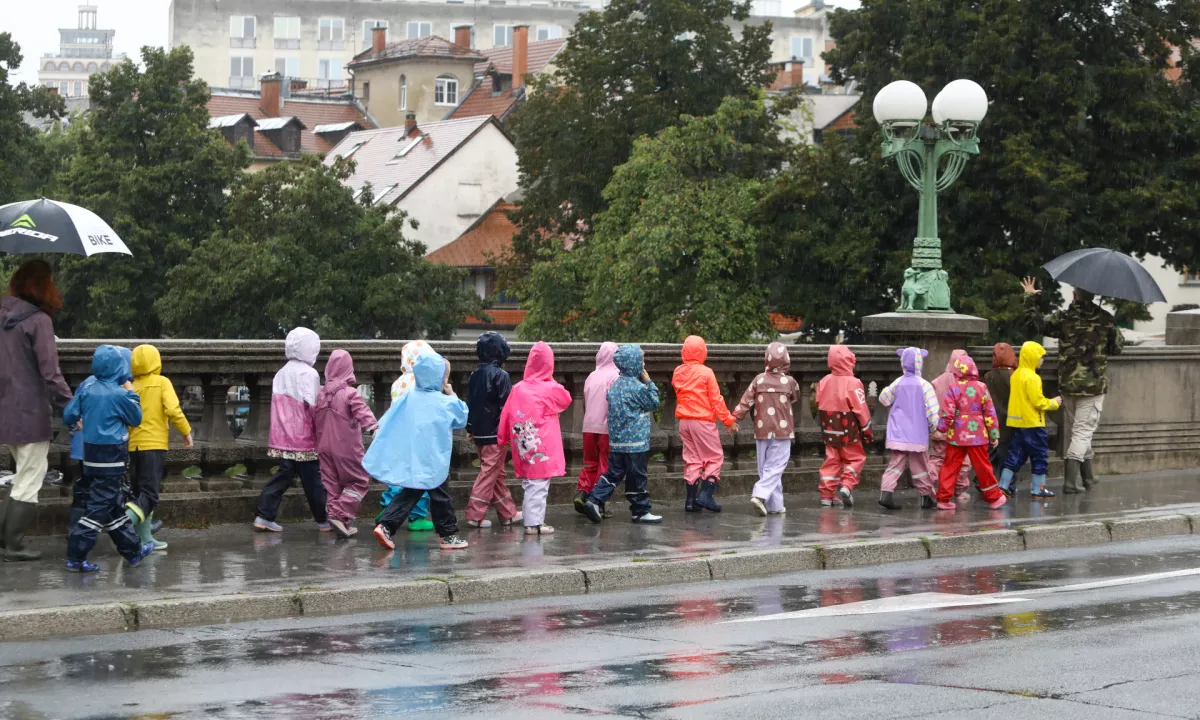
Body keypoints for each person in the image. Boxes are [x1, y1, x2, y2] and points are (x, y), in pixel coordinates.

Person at [0, 260, 73, 561]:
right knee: (31, 476)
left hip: (5, 410)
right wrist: (71, 404)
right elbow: (51, 373)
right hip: (30, 412)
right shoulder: (39, 322)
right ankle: (13, 545)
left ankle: (5, 541)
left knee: (21, 476)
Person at [1022, 278, 1124, 493]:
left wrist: (1030, 298)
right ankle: (1070, 482)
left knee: (1080, 430)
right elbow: (1117, 348)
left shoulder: (1064, 317)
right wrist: (1111, 327)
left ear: (1075, 295)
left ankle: (1088, 477)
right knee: (1082, 432)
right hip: (1093, 386)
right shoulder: (1105, 319)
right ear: (1094, 296)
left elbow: (1036, 325)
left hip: (1067, 384)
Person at [63, 345, 155, 572]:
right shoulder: (119, 394)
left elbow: (68, 415)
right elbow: (136, 418)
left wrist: (76, 423)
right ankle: (76, 555)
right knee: (97, 509)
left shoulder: (88, 387)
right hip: (112, 456)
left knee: (113, 506)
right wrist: (130, 390)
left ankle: (132, 552)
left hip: (91, 454)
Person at [366, 350, 469, 551]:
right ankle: (448, 535)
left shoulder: (409, 398)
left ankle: (386, 525)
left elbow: (390, 418)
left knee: (410, 493)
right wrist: (452, 393)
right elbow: (462, 417)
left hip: (415, 458)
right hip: (436, 460)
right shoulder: (445, 402)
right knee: (440, 496)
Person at [253, 328, 329, 533]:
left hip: (283, 436)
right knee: (313, 479)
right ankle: (324, 519)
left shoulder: (281, 373)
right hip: (304, 438)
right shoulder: (310, 374)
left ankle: (264, 514)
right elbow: (314, 406)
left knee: (284, 474)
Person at [498, 341, 572, 536]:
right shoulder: (549, 388)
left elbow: (506, 414)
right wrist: (552, 379)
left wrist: (502, 437)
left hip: (523, 441)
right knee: (539, 484)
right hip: (543, 444)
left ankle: (533, 520)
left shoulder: (519, 388)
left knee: (531, 481)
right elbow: (566, 399)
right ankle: (533, 523)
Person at [582, 344, 662, 524]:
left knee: (613, 474)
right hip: (636, 444)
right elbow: (654, 402)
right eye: (642, 361)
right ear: (635, 364)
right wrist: (648, 381)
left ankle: (594, 499)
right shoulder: (638, 388)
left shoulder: (615, 386)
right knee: (637, 477)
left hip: (617, 442)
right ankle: (640, 510)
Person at [125, 344, 193, 551]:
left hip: (132, 446)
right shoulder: (162, 382)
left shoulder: (130, 386)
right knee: (150, 494)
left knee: (139, 492)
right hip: (153, 445)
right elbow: (173, 409)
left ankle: (144, 539)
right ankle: (122, 525)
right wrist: (185, 431)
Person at [732, 342, 801, 516]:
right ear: (786, 360)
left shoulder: (759, 379)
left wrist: (734, 419)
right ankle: (759, 494)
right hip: (782, 431)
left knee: (766, 468)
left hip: (761, 430)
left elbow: (745, 401)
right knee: (776, 466)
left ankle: (775, 505)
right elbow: (795, 398)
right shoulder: (790, 382)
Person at [315, 350, 378, 539]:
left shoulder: (320, 394)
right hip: (346, 447)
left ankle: (336, 519)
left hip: (323, 447)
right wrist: (374, 428)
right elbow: (363, 412)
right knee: (359, 480)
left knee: (331, 485)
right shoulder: (350, 394)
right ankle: (340, 516)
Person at [672, 335, 739, 513]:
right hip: (702, 421)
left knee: (692, 459)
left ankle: (690, 500)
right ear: (703, 352)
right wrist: (728, 420)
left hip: (684, 422)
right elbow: (716, 400)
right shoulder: (706, 372)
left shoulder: (678, 371)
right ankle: (705, 496)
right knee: (715, 457)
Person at [934, 354, 1008, 511]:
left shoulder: (953, 388)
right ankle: (994, 497)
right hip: (977, 436)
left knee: (950, 466)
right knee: (983, 467)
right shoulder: (981, 387)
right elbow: (990, 413)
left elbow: (947, 413)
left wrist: (941, 429)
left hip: (956, 436)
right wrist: (994, 434)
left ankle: (943, 498)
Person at [464, 332, 520, 529]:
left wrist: (470, 427)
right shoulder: (501, 375)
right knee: (490, 473)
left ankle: (508, 513)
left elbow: (470, 404)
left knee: (496, 473)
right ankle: (474, 514)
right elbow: (508, 407)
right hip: (496, 433)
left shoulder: (474, 375)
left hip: (479, 432)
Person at [378, 340, 435, 531]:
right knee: (420, 478)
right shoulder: (425, 382)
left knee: (397, 475)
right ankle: (417, 517)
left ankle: (387, 508)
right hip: (419, 439)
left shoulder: (398, 383)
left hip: (398, 436)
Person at [876, 347, 939, 510]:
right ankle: (926, 496)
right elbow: (933, 411)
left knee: (895, 464)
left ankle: (886, 493)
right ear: (920, 363)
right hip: (917, 433)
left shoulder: (898, 382)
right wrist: (932, 427)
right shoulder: (925, 385)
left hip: (898, 432)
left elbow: (883, 398)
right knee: (920, 465)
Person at [1000, 341, 1063, 498]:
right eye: (1040, 357)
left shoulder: (1016, 375)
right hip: (1033, 424)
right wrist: (1054, 403)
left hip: (1018, 423)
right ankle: (1038, 489)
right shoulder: (1033, 378)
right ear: (1032, 358)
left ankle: (1003, 486)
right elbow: (1038, 402)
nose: (1042, 360)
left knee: (1015, 455)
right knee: (1040, 456)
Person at [815, 345, 873, 508]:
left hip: (829, 427)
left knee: (831, 460)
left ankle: (826, 495)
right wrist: (867, 429)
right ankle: (846, 485)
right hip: (849, 429)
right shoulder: (854, 383)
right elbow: (861, 409)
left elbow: (818, 402)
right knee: (855, 458)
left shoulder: (824, 381)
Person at [575, 342, 619, 514]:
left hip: (589, 425)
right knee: (605, 464)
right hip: (606, 427)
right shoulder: (615, 376)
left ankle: (583, 491)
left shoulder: (591, 376)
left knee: (590, 462)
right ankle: (597, 501)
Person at [929, 349, 973, 502]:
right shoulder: (965, 383)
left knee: (938, 458)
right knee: (963, 460)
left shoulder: (936, 381)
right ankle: (959, 491)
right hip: (961, 430)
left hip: (940, 427)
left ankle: (928, 484)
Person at [984, 343, 1019, 483]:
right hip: (1010, 420)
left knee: (992, 452)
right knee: (1008, 452)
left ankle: (985, 481)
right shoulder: (1014, 376)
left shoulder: (987, 376)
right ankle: (1007, 482)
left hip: (991, 420)